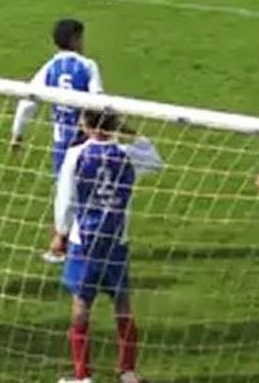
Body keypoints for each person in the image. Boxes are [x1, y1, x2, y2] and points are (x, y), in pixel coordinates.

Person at [56, 109, 163, 383]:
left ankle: (82, 376)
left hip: (84, 242)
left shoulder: (76, 155)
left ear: (84, 123)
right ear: (114, 124)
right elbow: (156, 161)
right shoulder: (127, 153)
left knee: (81, 305)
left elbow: (66, 198)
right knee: (122, 303)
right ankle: (127, 372)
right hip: (117, 240)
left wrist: (61, 233)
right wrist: (129, 131)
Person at [11, 19, 103, 263]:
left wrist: (17, 132)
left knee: (64, 193)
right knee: (86, 192)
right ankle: (72, 243)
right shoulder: (87, 65)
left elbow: (28, 100)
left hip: (61, 143)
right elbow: (97, 101)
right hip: (86, 141)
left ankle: (63, 243)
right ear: (75, 39)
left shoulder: (49, 67)